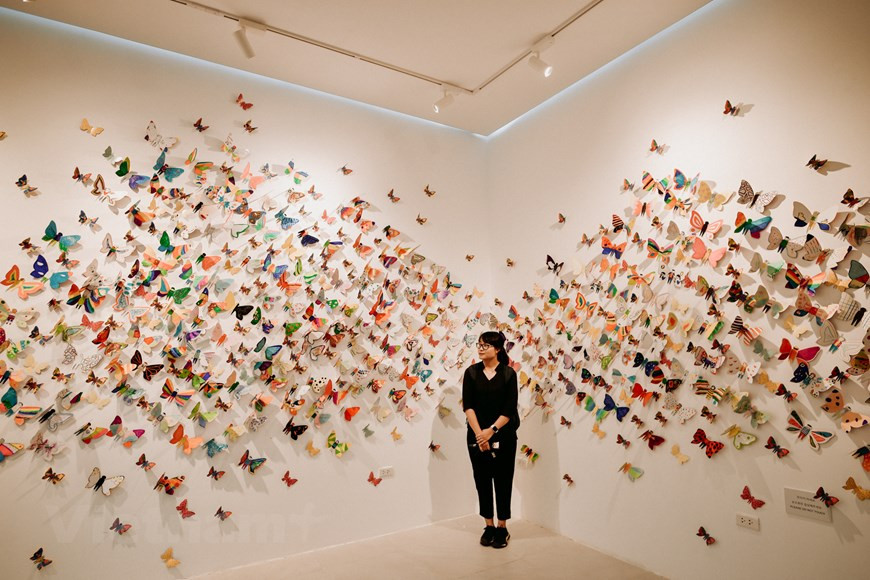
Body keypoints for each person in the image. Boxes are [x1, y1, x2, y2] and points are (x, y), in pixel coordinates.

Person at [462, 330, 520, 549]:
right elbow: (468, 405)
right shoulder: (471, 373)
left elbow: (509, 409)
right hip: (476, 437)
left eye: (485, 345)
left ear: (497, 349)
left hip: (503, 436)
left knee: (503, 480)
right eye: (479, 344)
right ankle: (488, 525)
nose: (480, 348)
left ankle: (502, 527)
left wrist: (491, 431)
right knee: (482, 480)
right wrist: (480, 434)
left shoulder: (508, 374)